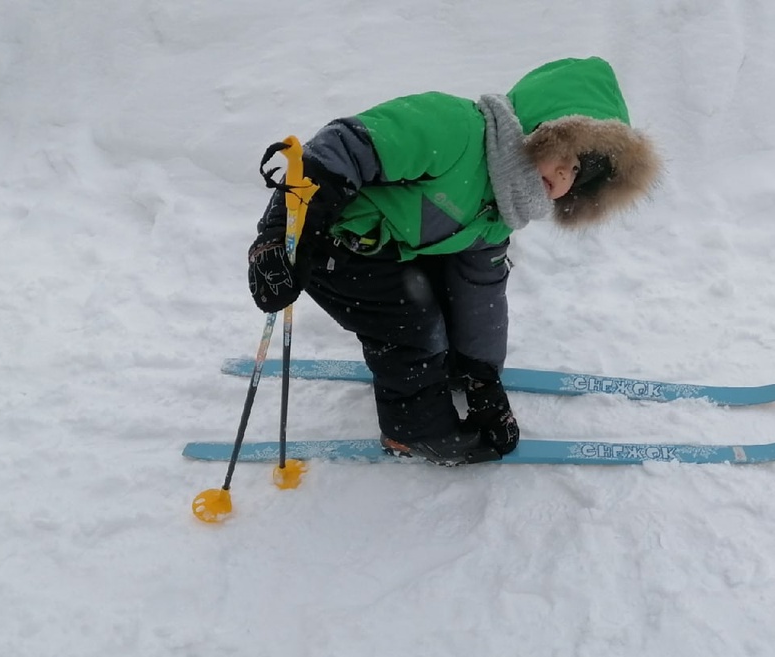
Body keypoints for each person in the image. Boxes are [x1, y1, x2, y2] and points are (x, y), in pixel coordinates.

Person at [246, 57, 660, 465]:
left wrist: (481, 375)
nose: (567, 176)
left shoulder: (500, 213)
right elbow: (346, 145)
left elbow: (478, 292)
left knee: (445, 294)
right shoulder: (456, 129)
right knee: (410, 323)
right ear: (542, 130)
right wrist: (280, 233)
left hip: (391, 253)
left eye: (577, 173)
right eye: (566, 156)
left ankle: (448, 366)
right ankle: (412, 432)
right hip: (329, 240)